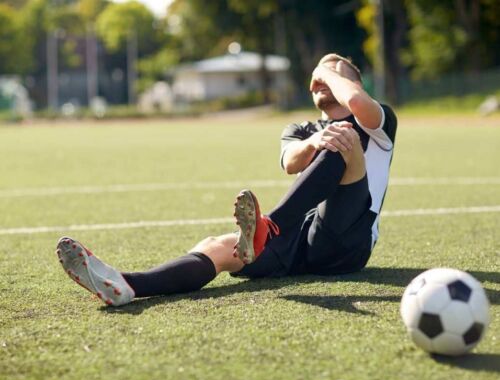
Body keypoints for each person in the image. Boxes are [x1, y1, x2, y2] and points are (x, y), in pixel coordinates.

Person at [55, 53, 397, 306]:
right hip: (300, 241)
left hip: (349, 241)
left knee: (343, 138)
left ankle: (269, 227)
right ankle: (126, 285)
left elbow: (354, 100)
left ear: (354, 82)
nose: (320, 80)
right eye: (316, 78)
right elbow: (291, 163)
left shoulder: (377, 122)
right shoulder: (299, 130)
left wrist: (326, 69)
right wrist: (314, 140)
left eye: (331, 74)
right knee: (218, 246)